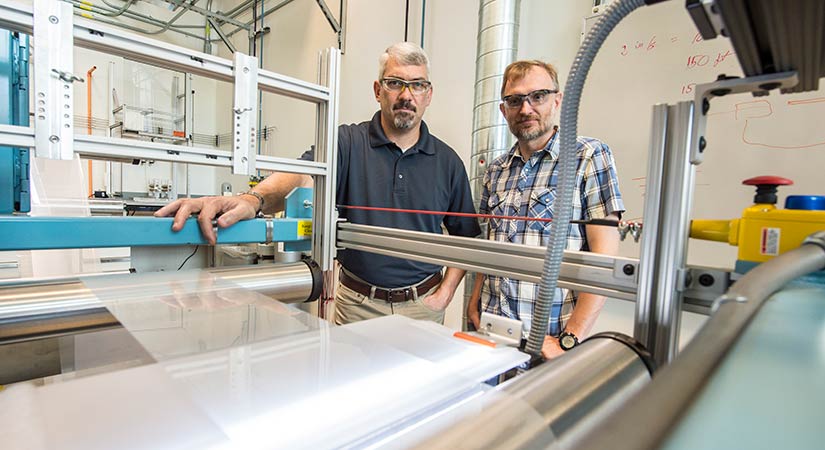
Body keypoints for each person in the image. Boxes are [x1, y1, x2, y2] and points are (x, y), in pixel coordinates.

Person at [156, 42, 480, 325]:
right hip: (358, 306)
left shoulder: (448, 161)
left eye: (417, 85)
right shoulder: (346, 142)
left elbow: (467, 241)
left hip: (423, 307)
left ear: (429, 94)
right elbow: (301, 175)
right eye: (395, 83)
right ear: (378, 90)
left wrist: (444, 294)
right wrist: (252, 199)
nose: (406, 95)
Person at [467, 60, 624, 360]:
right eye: (514, 101)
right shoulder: (497, 171)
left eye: (537, 96)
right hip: (491, 331)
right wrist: (474, 303)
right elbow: (490, 244)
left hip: (549, 340)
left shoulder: (588, 157)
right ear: (504, 110)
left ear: (557, 100)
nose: (526, 109)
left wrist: (569, 339)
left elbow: (605, 259)